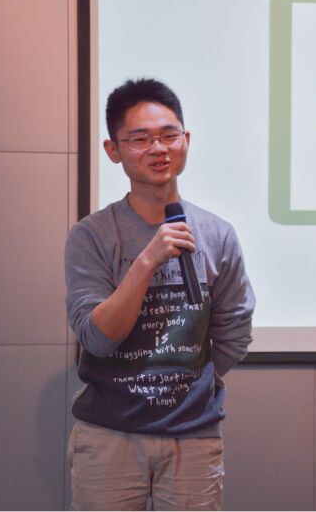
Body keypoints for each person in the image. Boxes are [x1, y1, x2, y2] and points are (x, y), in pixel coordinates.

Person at [64, 77, 255, 511]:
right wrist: (147, 260)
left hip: (194, 436)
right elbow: (97, 338)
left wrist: (192, 383)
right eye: (140, 139)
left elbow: (234, 331)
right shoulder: (92, 236)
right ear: (113, 150)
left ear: (187, 140)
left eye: (169, 135)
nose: (158, 148)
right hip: (109, 433)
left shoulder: (217, 234)